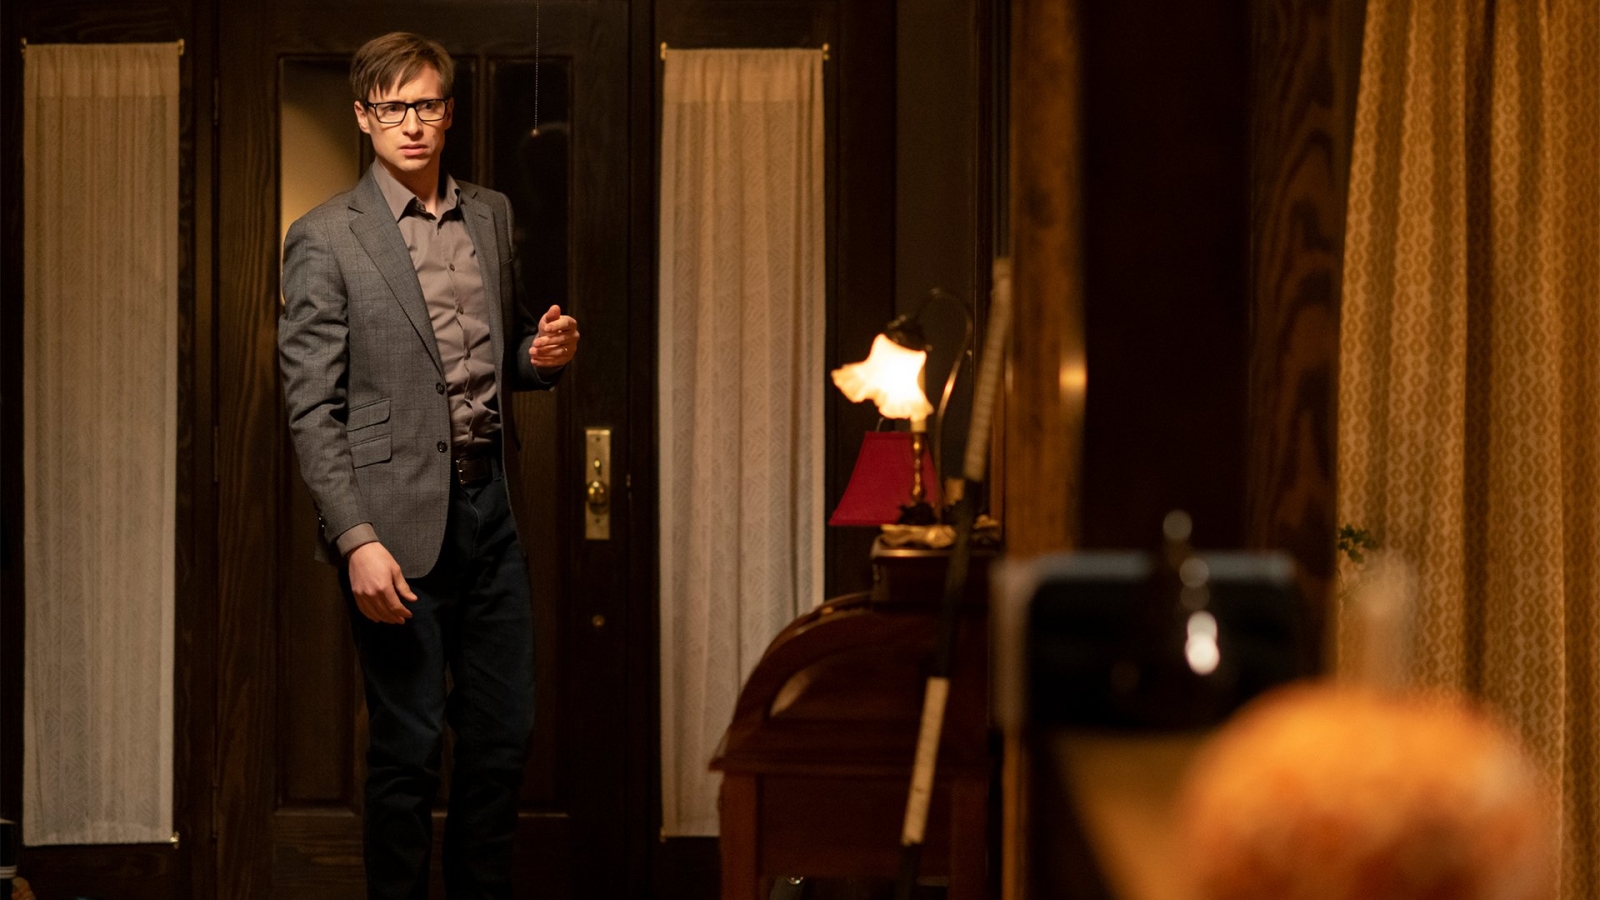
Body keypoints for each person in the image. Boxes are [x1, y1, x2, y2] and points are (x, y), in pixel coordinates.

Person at [277, 31, 578, 899]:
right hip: (393, 530)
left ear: (449, 112)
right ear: (364, 116)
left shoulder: (491, 214)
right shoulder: (324, 237)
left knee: (502, 741)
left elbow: (492, 358)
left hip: (492, 514)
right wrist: (356, 538)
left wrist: (539, 359)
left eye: (426, 104)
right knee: (407, 751)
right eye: (392, 107)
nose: (411, 123)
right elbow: (312, 407)